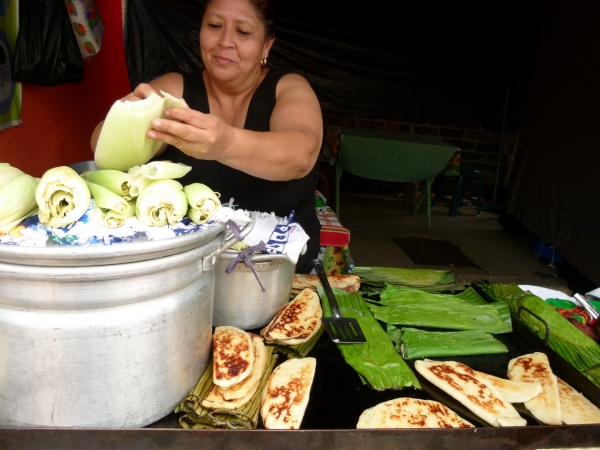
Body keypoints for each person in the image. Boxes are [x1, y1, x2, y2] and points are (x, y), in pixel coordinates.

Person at [91, 0, 323, 273]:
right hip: (189, 273)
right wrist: (128, 119)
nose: (225, 42)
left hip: (281, 275)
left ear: (266, 45)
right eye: (215, 26)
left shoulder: (288, 88)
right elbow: (100, 148)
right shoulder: (174, 88)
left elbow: (301, 155)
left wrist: (225, 143)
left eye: (243, 32)